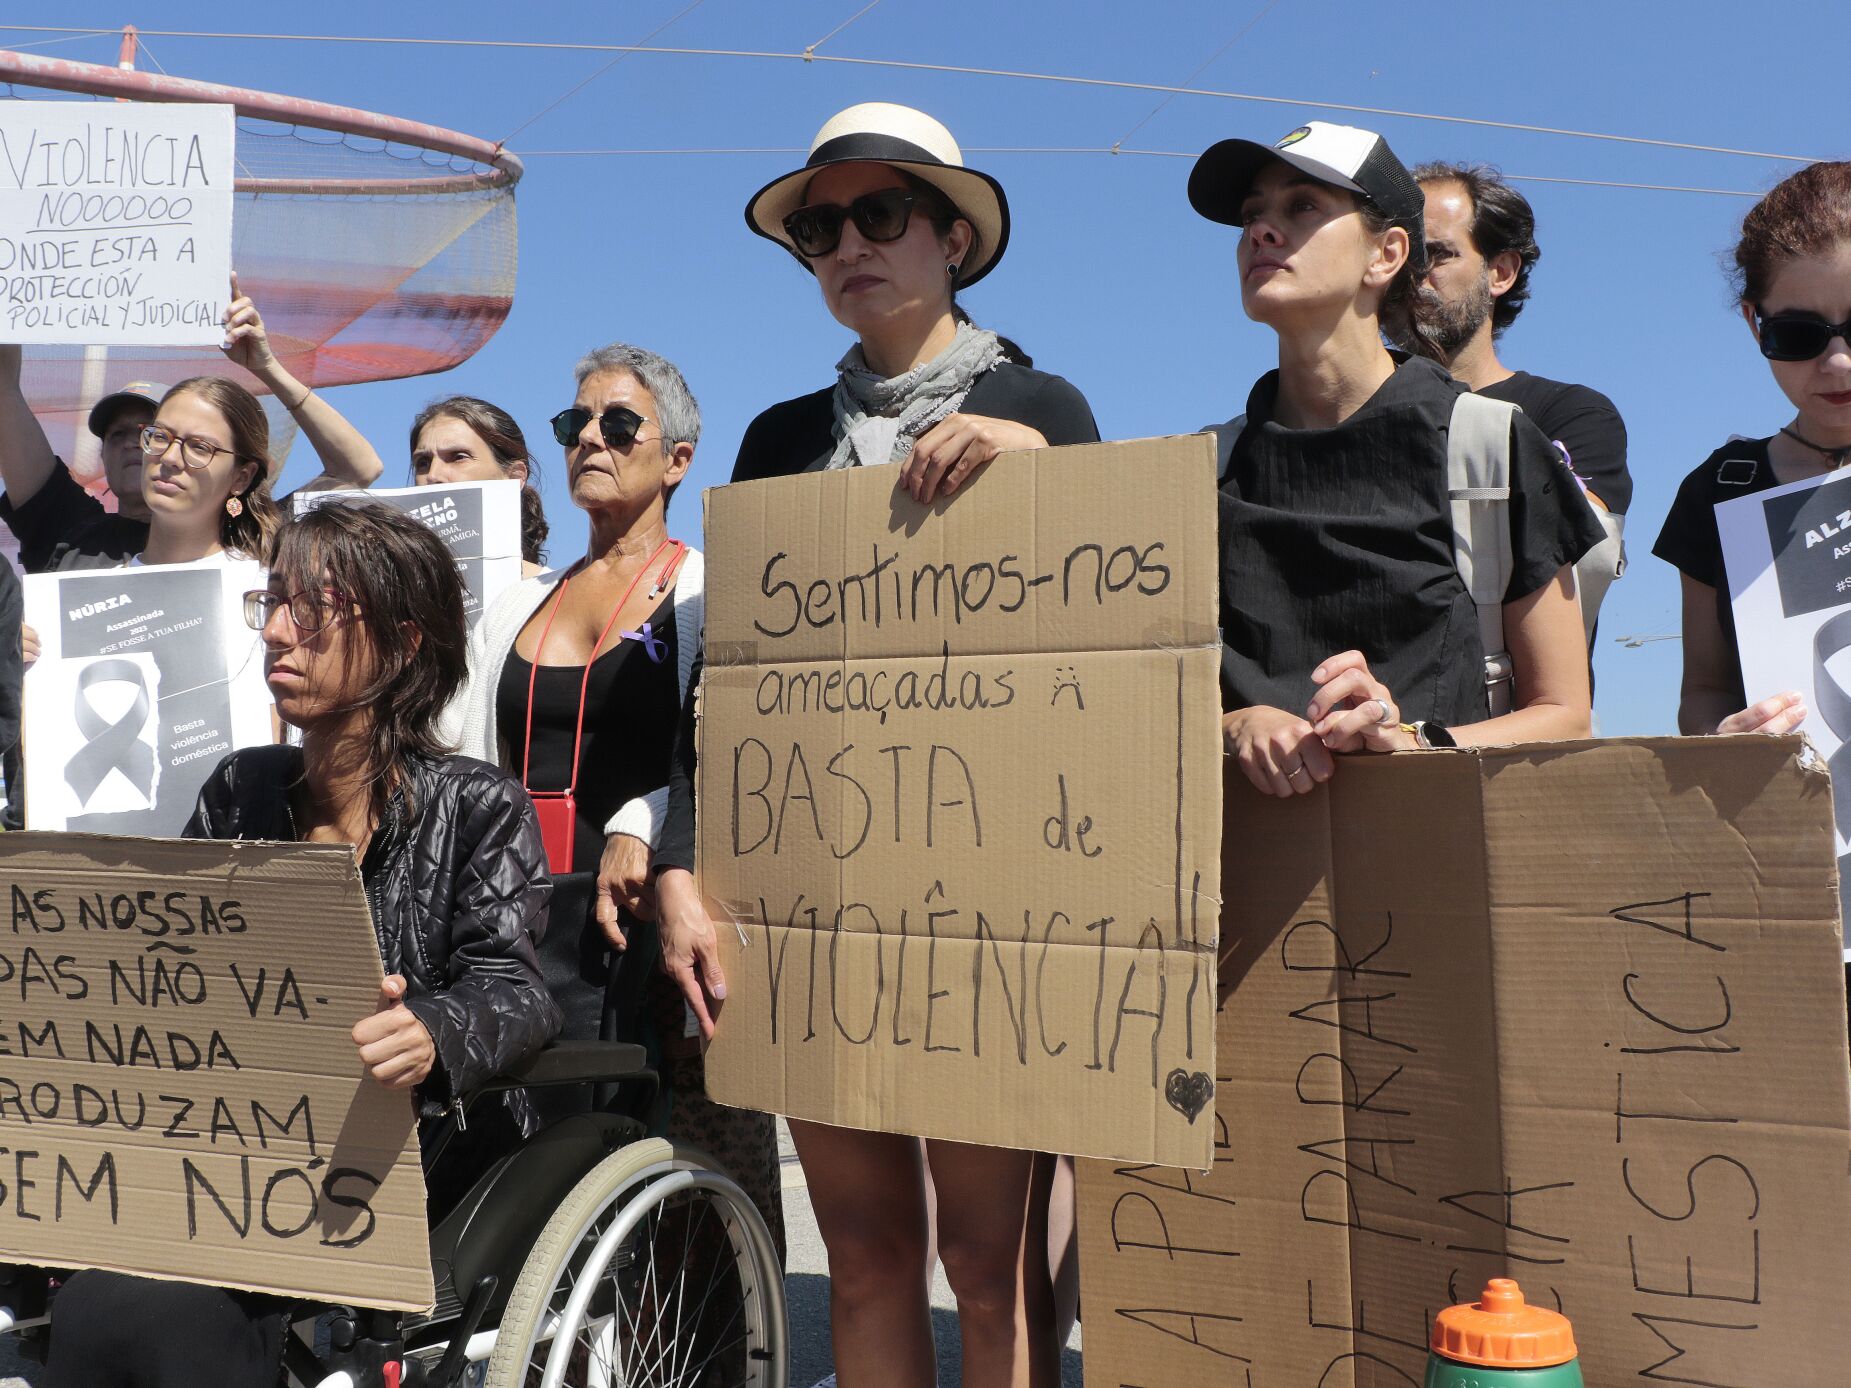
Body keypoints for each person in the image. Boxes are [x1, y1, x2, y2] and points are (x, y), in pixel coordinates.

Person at [655, 102, 1100, 1388]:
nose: (844, 242)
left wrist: (1037, 465)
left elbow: (1109, 646)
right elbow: (726, 685)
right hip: (811, 894)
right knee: (859, 1248)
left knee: (990, 1261)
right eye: (817, 226)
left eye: (878, 213)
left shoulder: (1045, 402)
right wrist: (683, 861)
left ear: (955, 237)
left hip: (987, 900)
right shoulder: (778, 441)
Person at [42, 500, 560, 1387]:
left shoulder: (478, 806)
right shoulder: (242, 788)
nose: (278, 632)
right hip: (241, 1157)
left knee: (163, 1317)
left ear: (401, 644)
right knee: (96, 1299)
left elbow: (514, 990)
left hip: (411, 1160)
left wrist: (432, 1029)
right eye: (271, 604)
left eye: (311, 611)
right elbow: (169, 975)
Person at [448, 343, 784, 1252]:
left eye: (619, 423)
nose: (590, 438)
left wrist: (642, 823)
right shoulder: (519, 604)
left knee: (699, 1178)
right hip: (527, 923)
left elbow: (722, 752)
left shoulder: (714, 591)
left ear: (676, 458)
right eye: (575, 424)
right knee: (541, 1182)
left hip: (661, 916)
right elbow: (468, 752)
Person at [1188, 121, 1601, 799]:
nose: (1261, 232)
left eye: (1301, 207)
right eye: (1250, 215)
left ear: (1385, 254)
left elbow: (1565, 714)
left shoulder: (1490, 445)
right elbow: (1141, 692)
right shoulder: (1207, 467)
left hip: (1434, 863)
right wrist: (1233, 724)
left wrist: (1410, 743)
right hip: (1251, 881)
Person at [0, 275, 383, 573]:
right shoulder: (74, 536)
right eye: (158, 437)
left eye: (198, 445)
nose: (165, 455)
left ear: (241, 477)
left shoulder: (259, 550)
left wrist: (267, 366)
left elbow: (358, 469)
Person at [1654, 161, 1851, 737]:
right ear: (1753, 323)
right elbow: (1705, 690)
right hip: (1799, 819)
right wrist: (1724, 747)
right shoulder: (1720, 489)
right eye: (1797, 334)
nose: (1837, 362)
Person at [1399, 163, 1630, 648]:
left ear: (1499, 272)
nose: (1412, 276)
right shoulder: (1338, 419)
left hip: (1522, 714)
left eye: (1435, 255)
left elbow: (1578, 563)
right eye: (1396, 257)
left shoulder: (1568, 416)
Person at [410, 394, 551, 572]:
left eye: (458, 457)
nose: (432, 475)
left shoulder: (552, 592)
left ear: (514, 477)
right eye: (423, 462)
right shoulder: (389, 594)